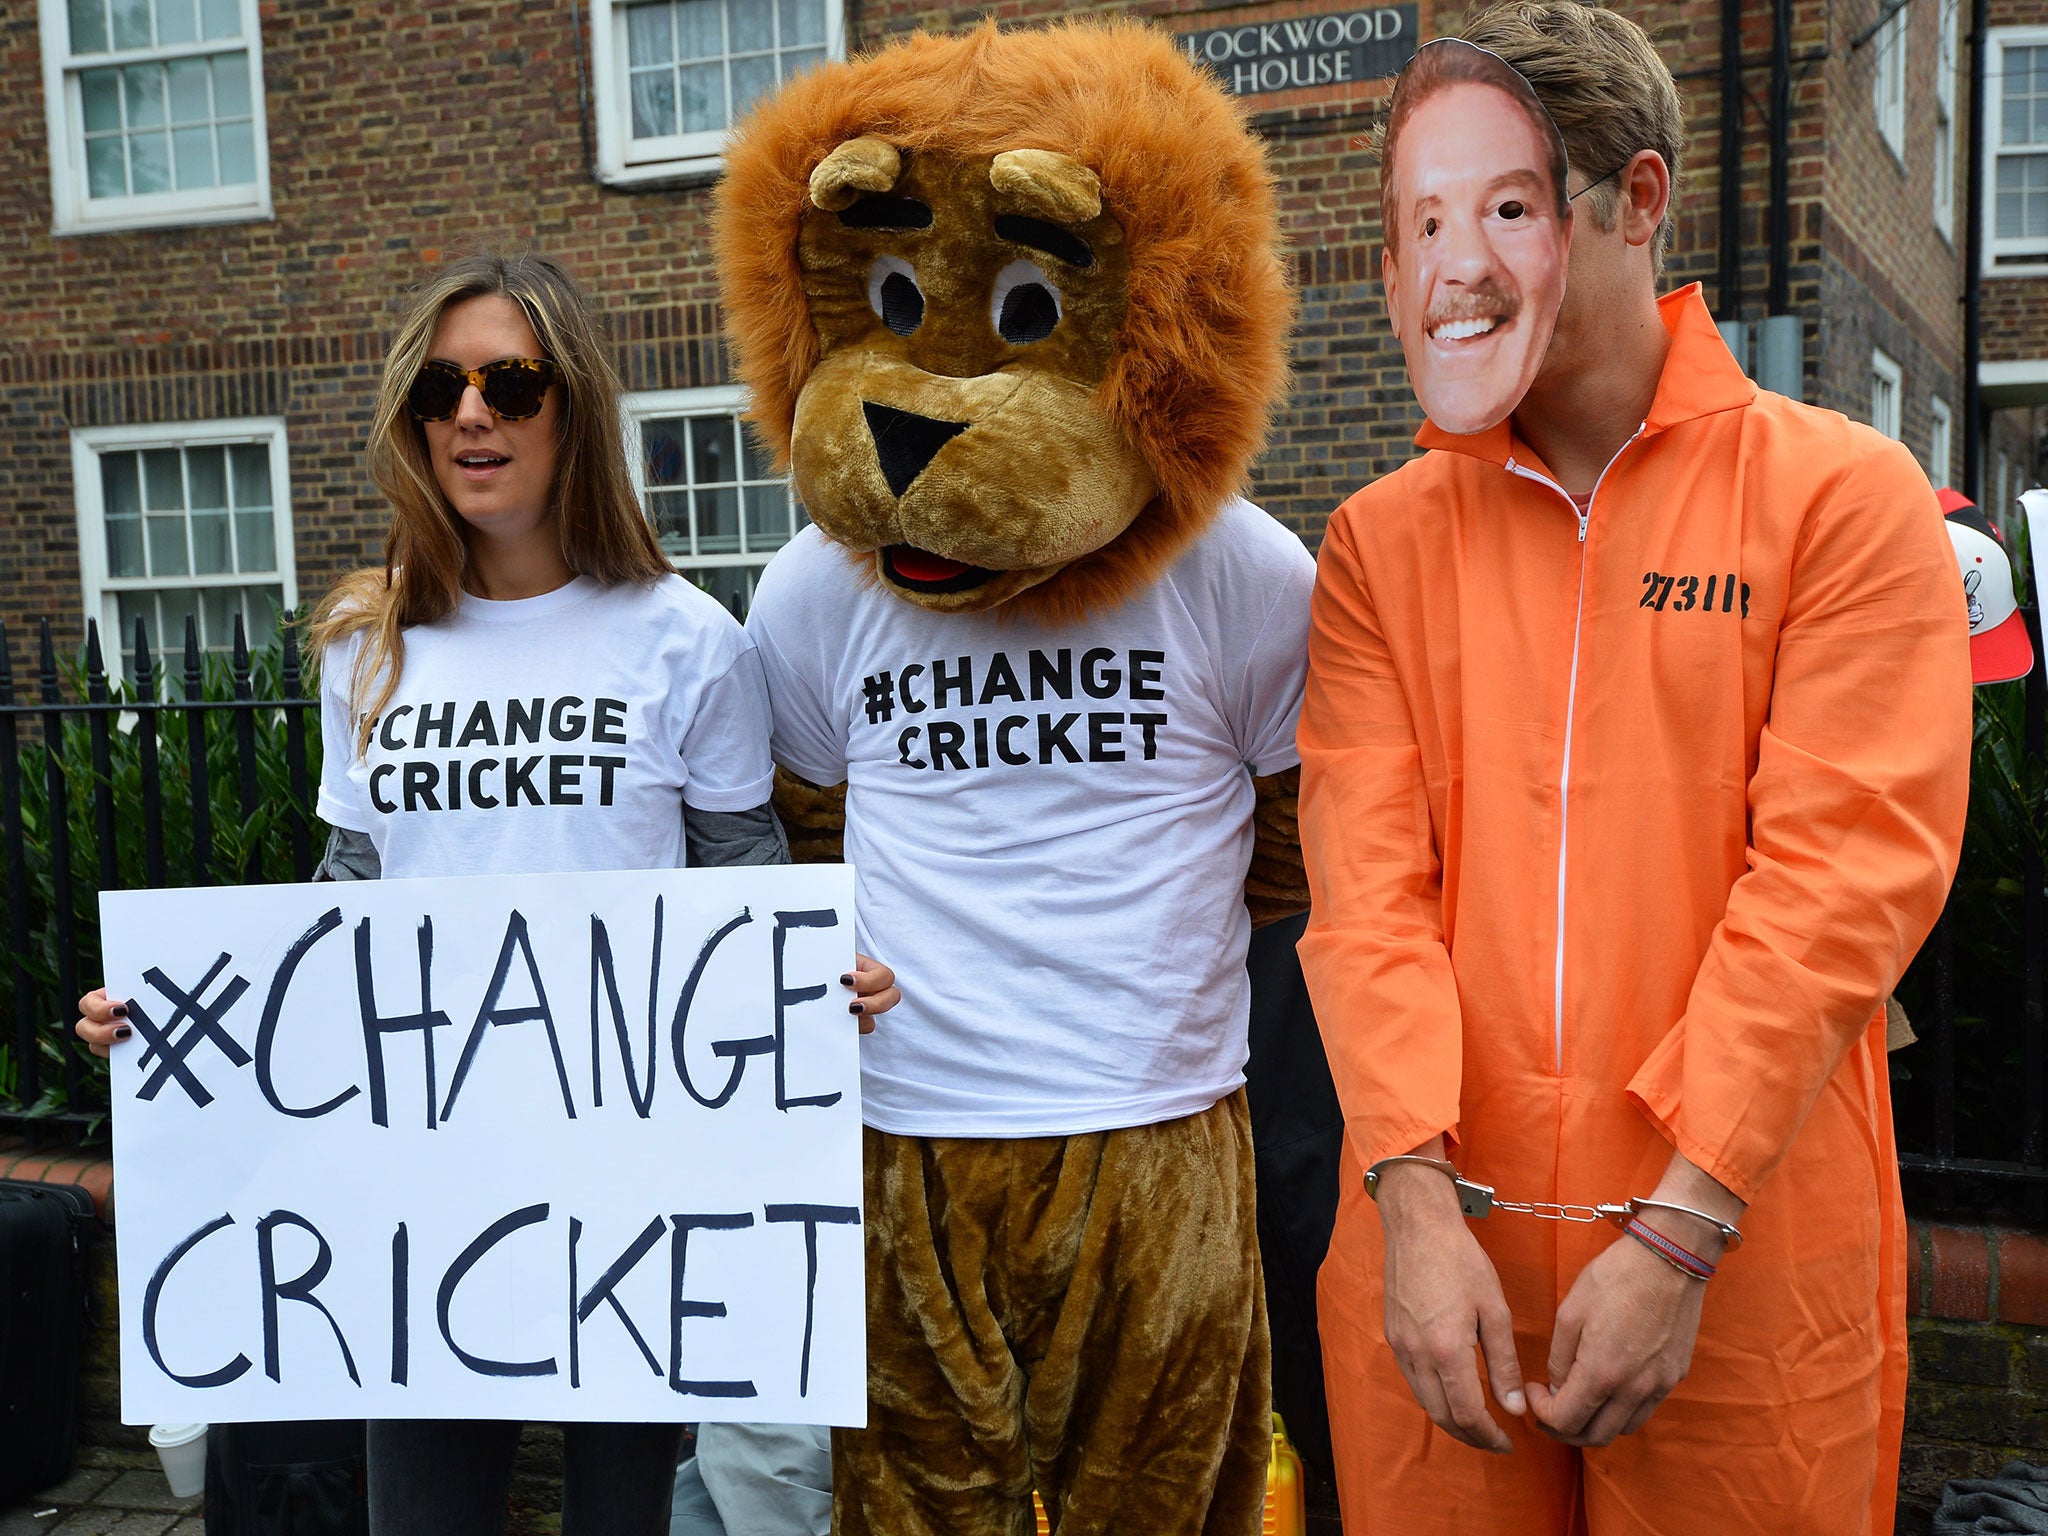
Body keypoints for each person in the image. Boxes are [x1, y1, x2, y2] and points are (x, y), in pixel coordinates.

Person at [75, 247, 898, 1536]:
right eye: (441, 391)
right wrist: (189, 1018)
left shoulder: (687, 639)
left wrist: (810, 990)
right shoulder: (369, 638)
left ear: (572, 405)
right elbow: (343, 895)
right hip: (418, 1189)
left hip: (628, 1193)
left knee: (623, 1519)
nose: (472, 417)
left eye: (511, 385)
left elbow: (740, 880)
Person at [1296, 5, 1972, 1533]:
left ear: (1640, 201)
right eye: (1419, 223)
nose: (1452, 268)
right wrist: (1408, 1196)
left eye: (1510, 207)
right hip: (1433, 1261)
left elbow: (1839, 882)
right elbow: (1362, 897)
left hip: (1737, 1265)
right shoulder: (1377, 543)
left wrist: (1678, 1232)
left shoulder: (1838, 500)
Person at [1380, 37, 1572, 436]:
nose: (1467, 266)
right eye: (1430, 227)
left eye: (1509, 211)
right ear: (1394, 289)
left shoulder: (1739, 474)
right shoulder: (1376, 503)